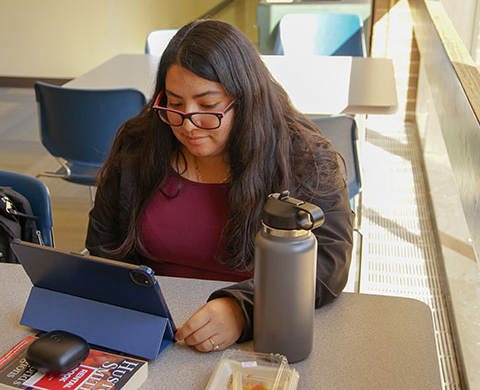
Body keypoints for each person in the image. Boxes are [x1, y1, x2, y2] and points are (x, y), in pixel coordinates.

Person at [86, 19, 354, 353]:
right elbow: (103, 243)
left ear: (246, 98)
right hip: (157, 332)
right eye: (174, 102)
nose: (188, 122)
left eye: (208, 106)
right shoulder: (140, 144)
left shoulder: (302, 156)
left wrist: (244, 310)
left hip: (259, 338)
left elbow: (329, 261)